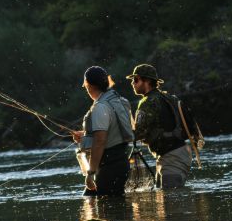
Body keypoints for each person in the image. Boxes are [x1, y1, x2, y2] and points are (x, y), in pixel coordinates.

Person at [126, 64, 192, 188]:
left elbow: (138, 134)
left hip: (172, 158)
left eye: (136, 80)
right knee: (167, 199)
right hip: (176, 154)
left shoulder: (148, 102)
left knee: (173, 201)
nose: (132, 83)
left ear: (147, 81)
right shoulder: (166, 97)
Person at [72, 66, 134, 196]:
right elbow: (114, 130)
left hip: (108, 167)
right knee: (113, 209)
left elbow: (100, 141)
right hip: (122, 162)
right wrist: (85, 135)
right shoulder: (122, 101)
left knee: (95, 205)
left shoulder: (100, 107)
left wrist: (90, 173)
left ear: (88, 85)